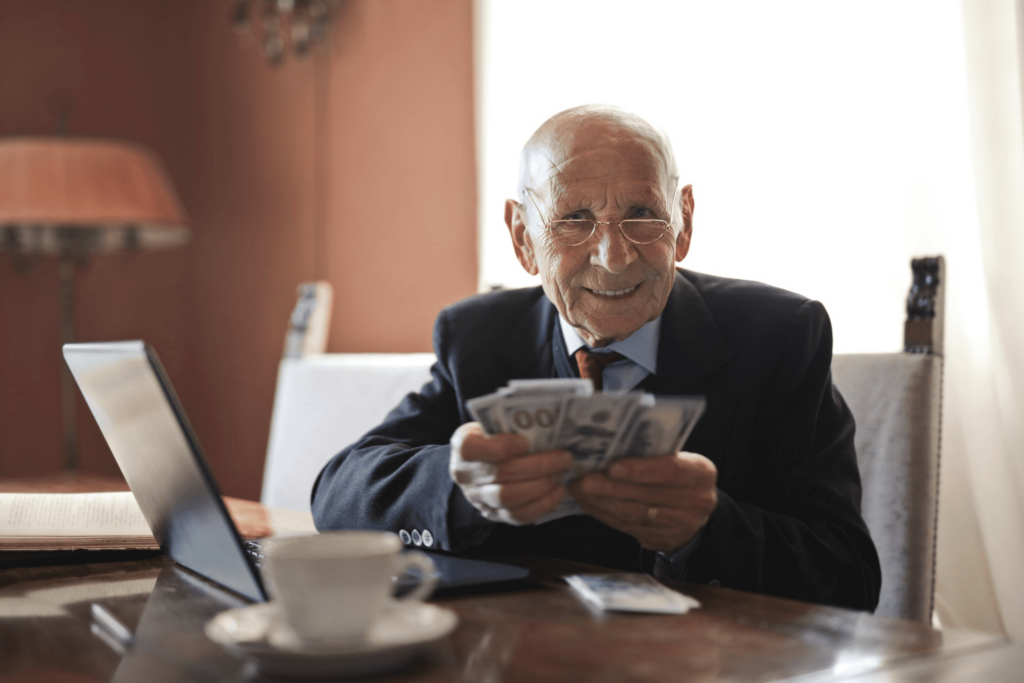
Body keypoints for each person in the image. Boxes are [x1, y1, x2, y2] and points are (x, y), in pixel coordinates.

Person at [312, 105, 882, 611]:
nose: (612, 257)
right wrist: (461, 488)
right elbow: (338, 495)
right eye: (573, 220)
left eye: (642, 214)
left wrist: (707, 529)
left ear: (683, 222)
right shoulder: (480, 337)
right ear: (522, 237)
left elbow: (850, 577)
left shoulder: (779, 335)